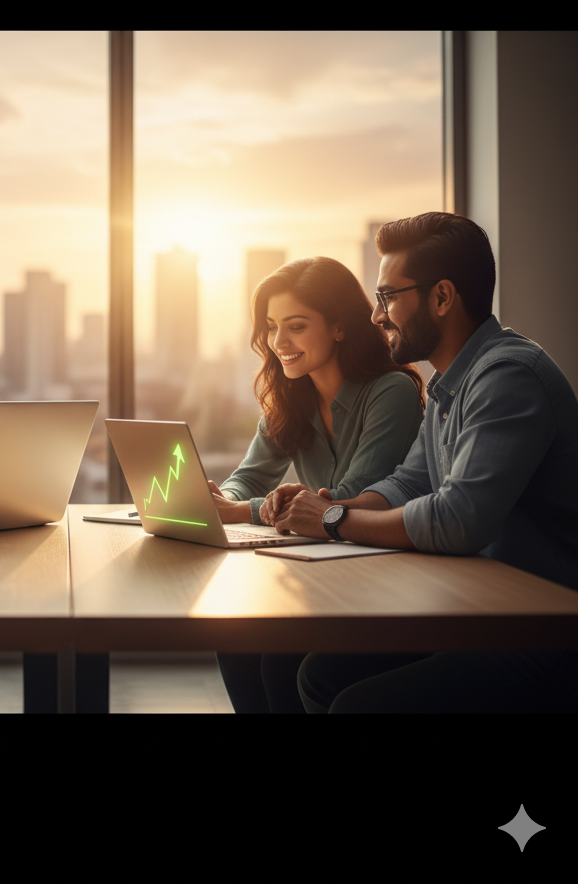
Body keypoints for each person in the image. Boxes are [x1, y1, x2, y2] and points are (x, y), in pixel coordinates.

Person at [271, 213, 578, 713]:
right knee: (307, 670)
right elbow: (408, 483)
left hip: (542, 630)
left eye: (388, 297)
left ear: (442, 297)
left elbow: (457, 520)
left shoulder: (508, 376)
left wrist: (332, 520)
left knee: (359, 704)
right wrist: (319, 507)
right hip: (476, 611)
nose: (376, 316)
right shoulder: (448, 386)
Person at [213, 256, 425, 713]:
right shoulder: (290, 396)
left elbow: (353, 496)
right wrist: (221, 499)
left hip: (386, 576)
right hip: (323, 570)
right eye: (272, 327)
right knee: (234, 642)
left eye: (295, 326)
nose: (278, 342)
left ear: (339, 327)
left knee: (279, 662)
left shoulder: (391, 390)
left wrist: (241, 511)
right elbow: (249, 477)